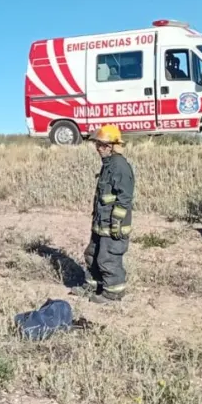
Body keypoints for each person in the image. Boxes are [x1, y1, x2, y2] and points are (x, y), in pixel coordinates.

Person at [71, 124, 134, 304]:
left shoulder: (119, 166)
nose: (99, 149)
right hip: (101, 222)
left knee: (109, 257)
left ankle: (113, 294)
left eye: (102, 145)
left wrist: (116, 222)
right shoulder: (108, 165)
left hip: (113, 224)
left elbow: (124, 198)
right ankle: (92, 286)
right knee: (92, 253)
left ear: (112, 146)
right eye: (97, 145)